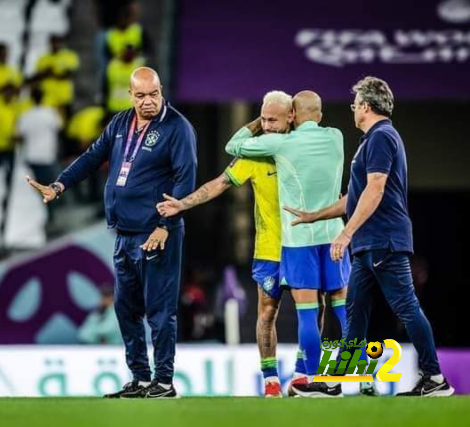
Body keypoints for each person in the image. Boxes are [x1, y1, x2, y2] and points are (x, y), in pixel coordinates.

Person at [27, 67, 197, 398]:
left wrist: (167, 226)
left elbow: (185, 180)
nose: (148, 102)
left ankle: (163, 380)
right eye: (141, 95)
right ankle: (140, 377)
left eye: (154, 94)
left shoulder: (178, 128)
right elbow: (92, 157)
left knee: (160, 310)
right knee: (124, 308)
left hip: (156, 233)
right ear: (130, 95)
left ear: (161, 91)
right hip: (124, 233)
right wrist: (59, 184)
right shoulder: (120, 123)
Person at [284, 77, 454, 397]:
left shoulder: (381, 136)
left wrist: (345, 234)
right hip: (368, 242)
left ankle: (434, 377)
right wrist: (314, 215)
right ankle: (338, 380)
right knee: (354, 312)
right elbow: (355, 197)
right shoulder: (372, 140)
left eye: (354, 105)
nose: (352, 110)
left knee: (405, 306)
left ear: (364, 106)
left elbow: (375, 189)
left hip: (382, 239)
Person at [225, 90, 376, 397]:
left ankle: (318, 380)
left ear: (291, 116)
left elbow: (233, 145)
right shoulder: (335, 137)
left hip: (298, 242)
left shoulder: (282, 143)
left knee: (307, 314)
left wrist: (259, 121)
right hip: (334, 236)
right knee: (341, 310)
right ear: (319, 115)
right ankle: (362, 376)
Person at [157, 91, 293, 397]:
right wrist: (183, 204)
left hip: (305, 246)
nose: (267, 125)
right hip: (270, 250)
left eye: (273, 119)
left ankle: (306, 375)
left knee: (316, 311)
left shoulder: (305, 149)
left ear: (291, 118)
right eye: (263, 119)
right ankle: (271, 381)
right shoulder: (255, 154)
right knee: (266, 314)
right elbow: (218, 184)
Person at [32, 35, 79, 119]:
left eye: (58, 42)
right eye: (53, 42)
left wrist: (50, 73)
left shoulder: (69, 56)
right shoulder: (43, 58)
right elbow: (37, 75)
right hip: (47, 97)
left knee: (64, 121)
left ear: (62, 43)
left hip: (63, 97)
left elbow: (69, 74)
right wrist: (47, 72)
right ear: (50, 43)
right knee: (48, 118)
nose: (55, 45)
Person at [105, 44, 146, 116]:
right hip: (114, 107)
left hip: (132, 108)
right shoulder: (113, 66)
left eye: (131, 53)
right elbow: (105, 85)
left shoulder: (139, 67)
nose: (128, 55)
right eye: (126, 53)